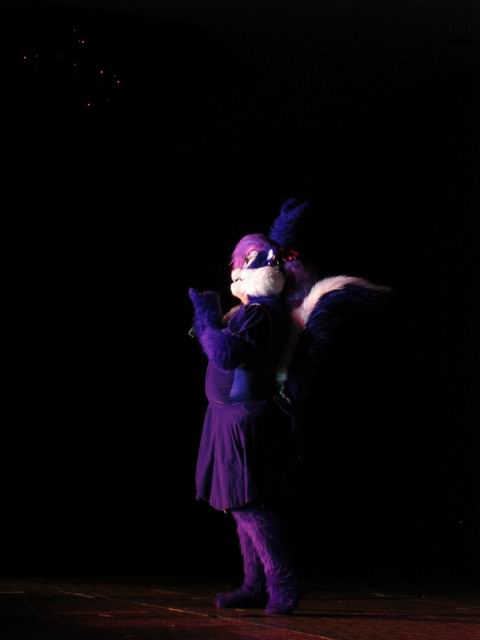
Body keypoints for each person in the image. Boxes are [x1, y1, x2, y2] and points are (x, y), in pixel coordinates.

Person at [189, 225, 307, 615]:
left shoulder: (261, 313)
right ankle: (255, 585)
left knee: (250, 503)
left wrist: (206, 316)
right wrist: (211, 321)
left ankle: (283, 583)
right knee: (239, 504)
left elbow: (224, 353)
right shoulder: (250, 311)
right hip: (228, 417)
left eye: (243, 265)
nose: (235, 274)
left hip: (244, 419)